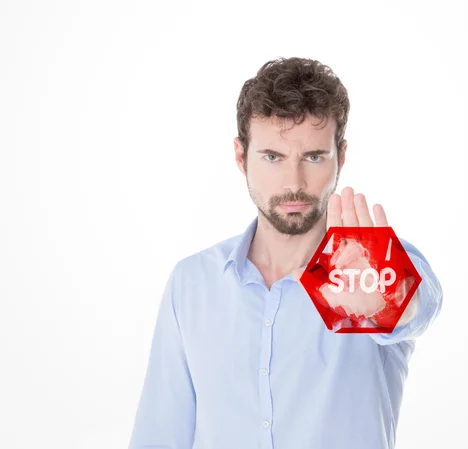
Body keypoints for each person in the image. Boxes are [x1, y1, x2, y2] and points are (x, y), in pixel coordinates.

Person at [128, 56, 443, 449]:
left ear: (341, 157)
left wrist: (387, 301)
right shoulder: (192, 283)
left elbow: (421, 304)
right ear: (240, 156)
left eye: (313, 157)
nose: (294, 183)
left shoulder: (373, 267)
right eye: (272, 157)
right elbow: (161, 434)